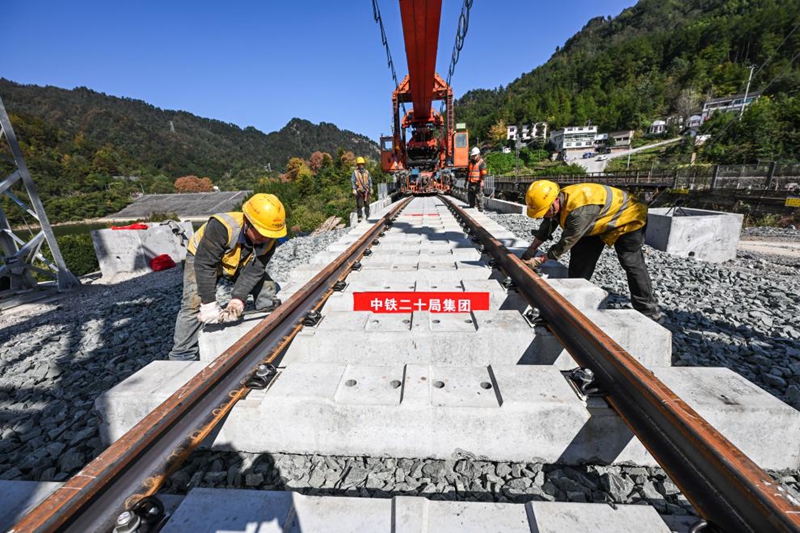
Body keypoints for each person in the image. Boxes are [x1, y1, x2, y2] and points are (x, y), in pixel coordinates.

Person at [167, 193, 287, 361]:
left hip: (236, 260)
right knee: (192, 304)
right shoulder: (221, 227)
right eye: (261, 233)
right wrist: (208, 303)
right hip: (202, 258)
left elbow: (254, 271)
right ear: (247, 222)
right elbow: (205, 265)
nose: (265, 238)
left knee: (266, 286)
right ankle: (182, 354)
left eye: (269, 234)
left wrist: (238, 298)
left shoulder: (269, 240)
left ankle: (266, 330)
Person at [521, 180, 660, 319]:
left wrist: (540, 260)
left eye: (545, 211)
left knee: (630, 261)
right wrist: (531, 249)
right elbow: (546, 226)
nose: (544, 214)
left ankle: (648, 310)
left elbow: (566, 242)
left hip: (629, 216)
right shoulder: (555, 202)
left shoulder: (579, 212)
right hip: (599, 220)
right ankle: (576, 300)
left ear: (556, 200)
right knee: (580, 260)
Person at [351, 157, 372, 222]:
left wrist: (371, 188)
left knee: (366, 204)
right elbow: (353, 181)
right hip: (359, 190)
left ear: (363, 164)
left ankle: (367, 215)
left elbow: (370, 180)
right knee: (359, 204)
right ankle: (359, 217)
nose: (361, 165)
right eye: (359, 164)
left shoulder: (367, 172)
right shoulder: (355, 173)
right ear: (357, 165)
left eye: (362, 164)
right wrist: (354, 189)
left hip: (366, 190)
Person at [467, 147, 487, 211]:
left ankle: (481, 210)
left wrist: (482, 181)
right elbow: (468, 172)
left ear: (478, 155)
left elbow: (483, 173)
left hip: (477, 183)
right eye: (472, 156)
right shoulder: (470, 163)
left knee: (479, 197)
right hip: (471, 183)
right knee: (470, 197)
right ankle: (471, 207)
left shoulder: (481, 163)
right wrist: (465, 181)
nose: (473, 157)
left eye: (474, 155)